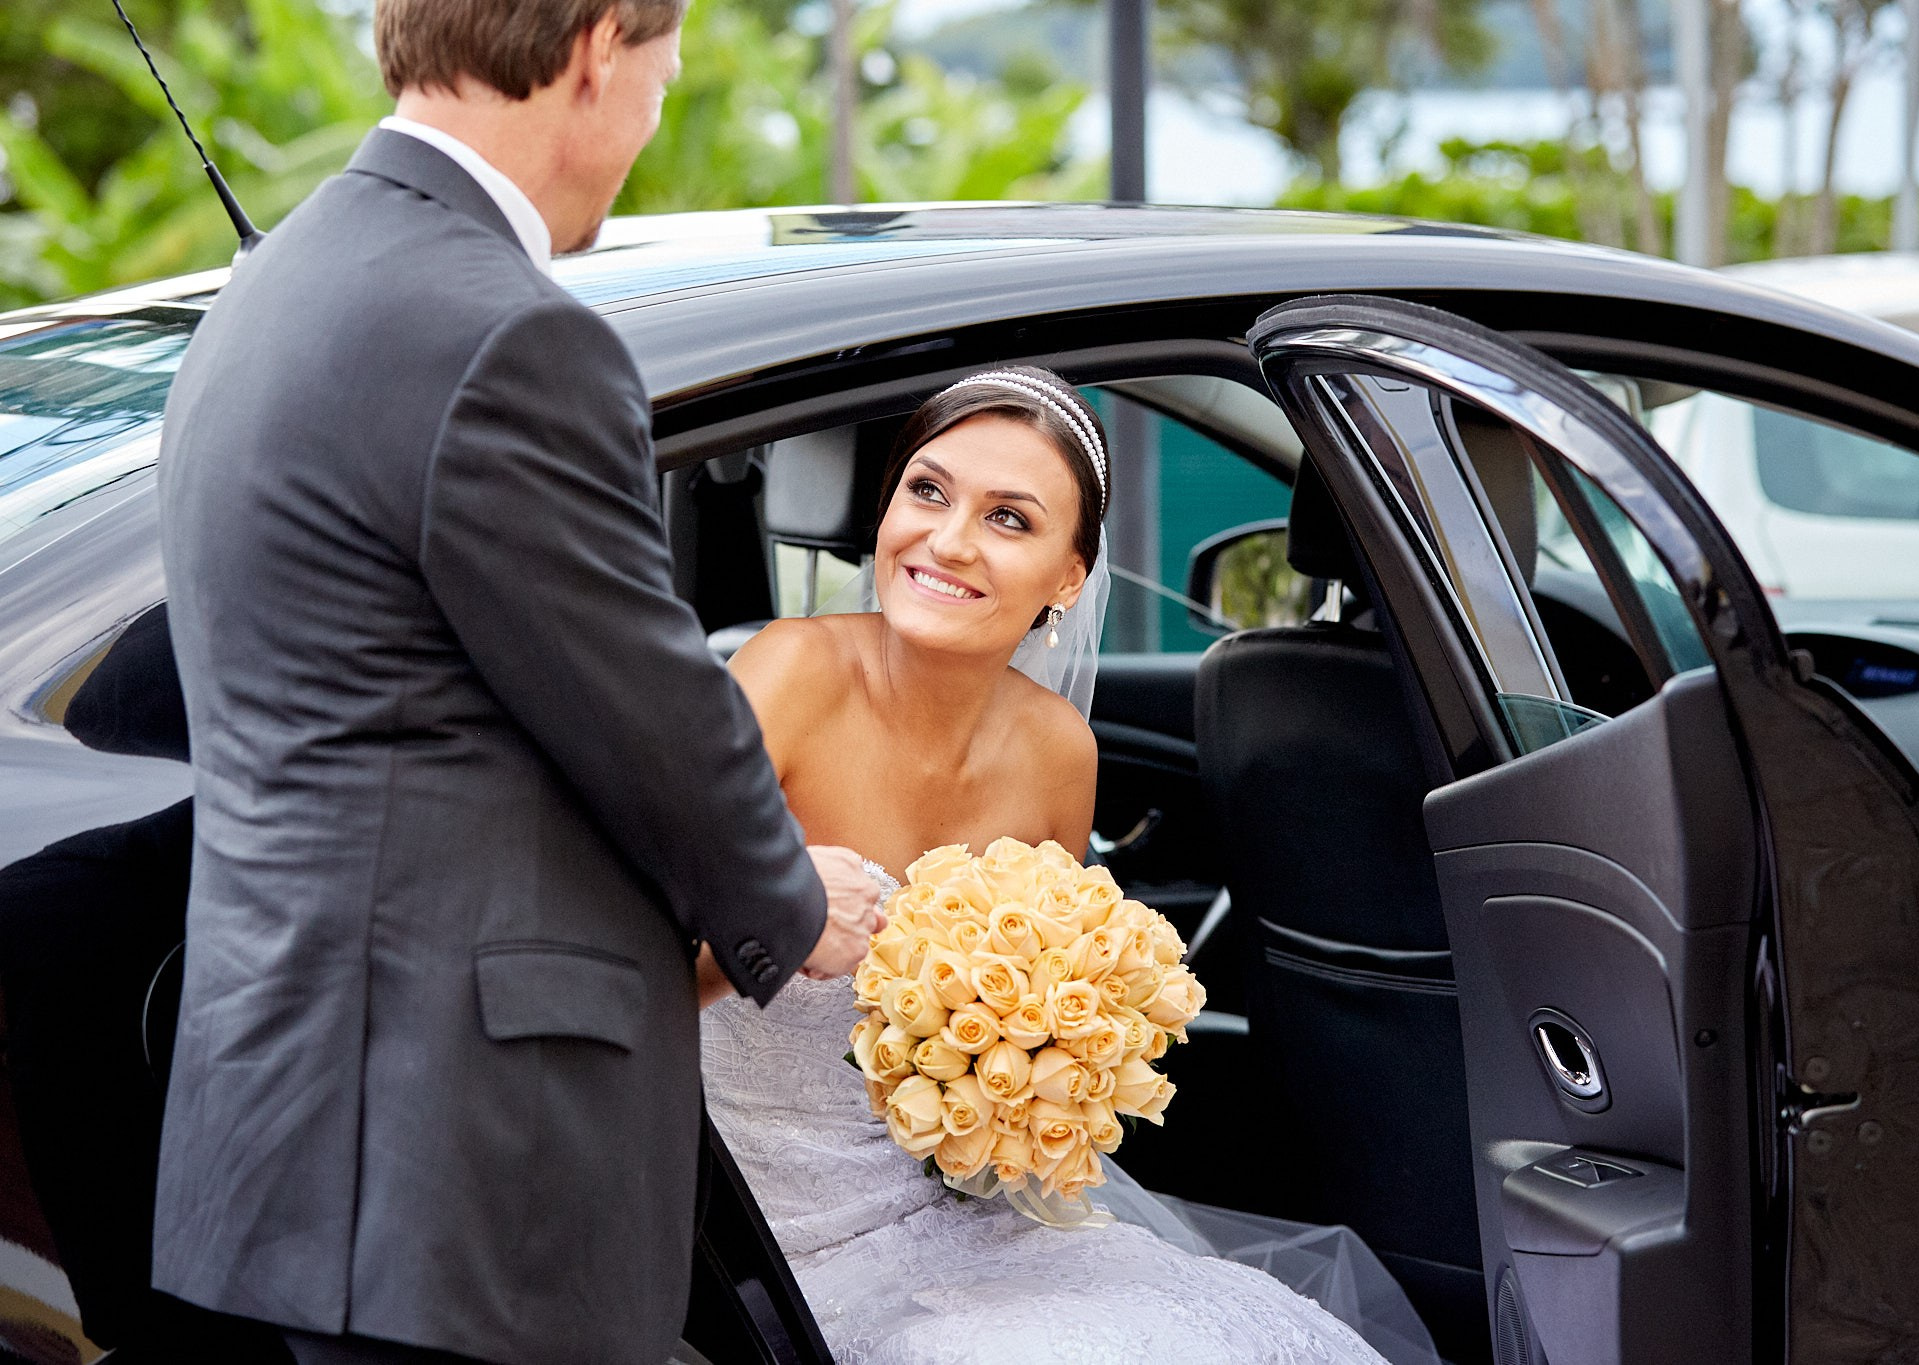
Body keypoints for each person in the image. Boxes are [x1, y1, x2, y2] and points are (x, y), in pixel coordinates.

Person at [147, 0, 881, 1361]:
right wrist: (790, 896)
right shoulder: (501, 332)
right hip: (461, 1163)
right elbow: (647, 702)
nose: (658, 115)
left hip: (315, 1137)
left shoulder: (282, 282)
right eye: (669, 68)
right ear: (603, 45)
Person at [707, 367, 1438, 1364]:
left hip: (956, 1219)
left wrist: (1042, 1081)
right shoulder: (787, 671)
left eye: (1008, 518)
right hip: (740, 1224)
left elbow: (1043, 1021)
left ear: (1067, 576)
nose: (948, 539)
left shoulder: (1057, 747)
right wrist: (780, 912)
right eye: (927, 491)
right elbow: (626, 968)